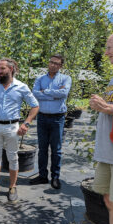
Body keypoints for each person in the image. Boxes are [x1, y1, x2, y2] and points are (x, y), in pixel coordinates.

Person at [0, 58, 39, 202]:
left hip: (12, 127)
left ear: (11, 69)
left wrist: (26, 124)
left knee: (13, 157)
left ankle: (12, 186)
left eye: (2, 69)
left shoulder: (21, 87)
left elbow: (35, 106)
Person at [89, 31, 113, 224]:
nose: (106, 52)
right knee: (110, 201)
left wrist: (106, 108)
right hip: (107, 153)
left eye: (109, 47)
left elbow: (112, 110)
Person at [29, 54, 71, 190]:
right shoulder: (40, 78)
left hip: (57, 118)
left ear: (61, 66)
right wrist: (54, 95)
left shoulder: (66, 78)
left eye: (56, 63)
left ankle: (55, 177)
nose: (53, 65)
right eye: (51, 62)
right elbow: (35, 93)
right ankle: (42, 176)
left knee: (56, 150)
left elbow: (63, 93)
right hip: (41, 117)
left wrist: (45, 92)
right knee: (42, 149)